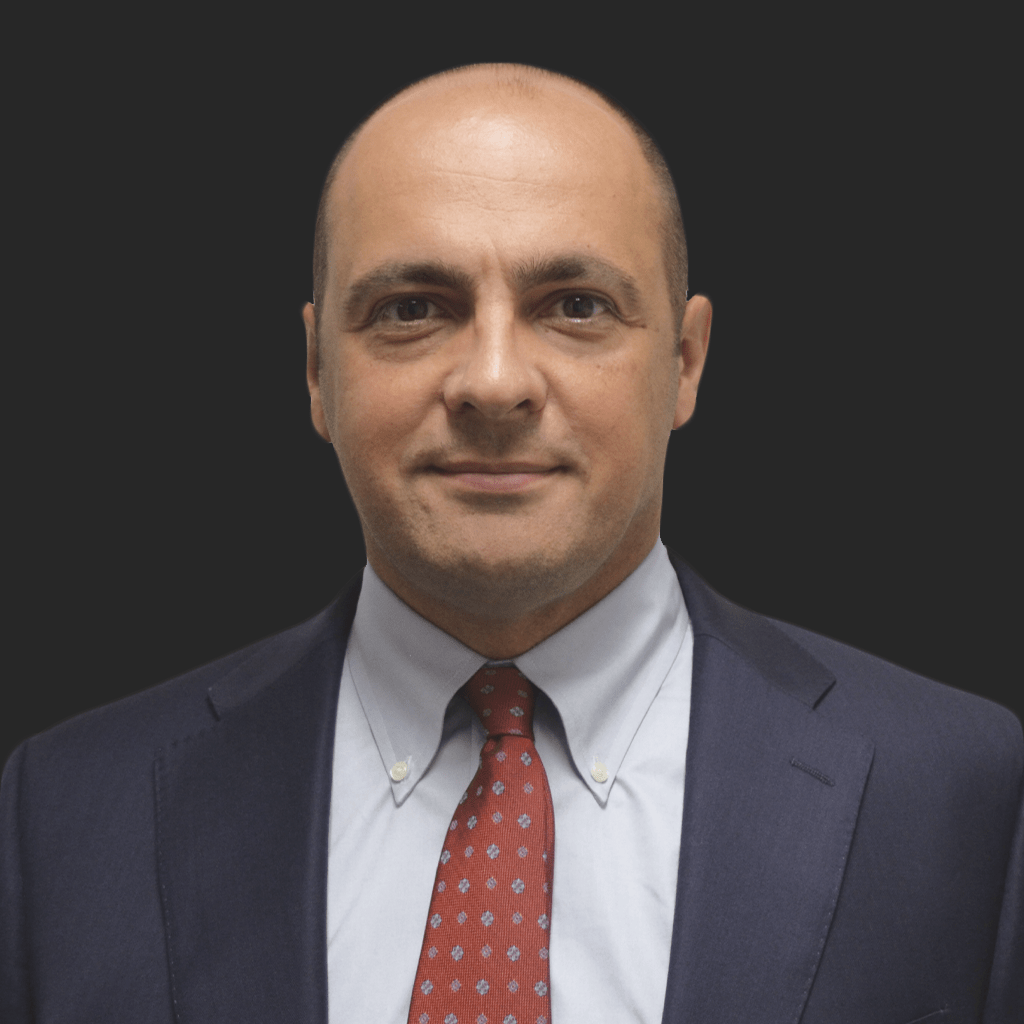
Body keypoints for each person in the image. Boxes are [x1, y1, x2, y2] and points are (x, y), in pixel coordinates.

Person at [1, 61, 1020, 1024]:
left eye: (575, 306)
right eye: (412, 309)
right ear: (316, 371)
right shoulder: (67, 814)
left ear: (684, 361)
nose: (493, 382)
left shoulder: (963, 795)